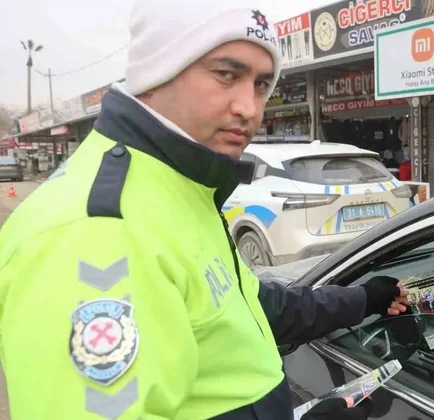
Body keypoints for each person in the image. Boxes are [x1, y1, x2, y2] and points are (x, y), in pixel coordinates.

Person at [0, 0, 409, 419]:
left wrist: (361, 299)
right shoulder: (92, 228)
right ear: (158, 70)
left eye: (261, 85)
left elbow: (249, 309)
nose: (249, 109)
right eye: (226, 75)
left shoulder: (180, 187)